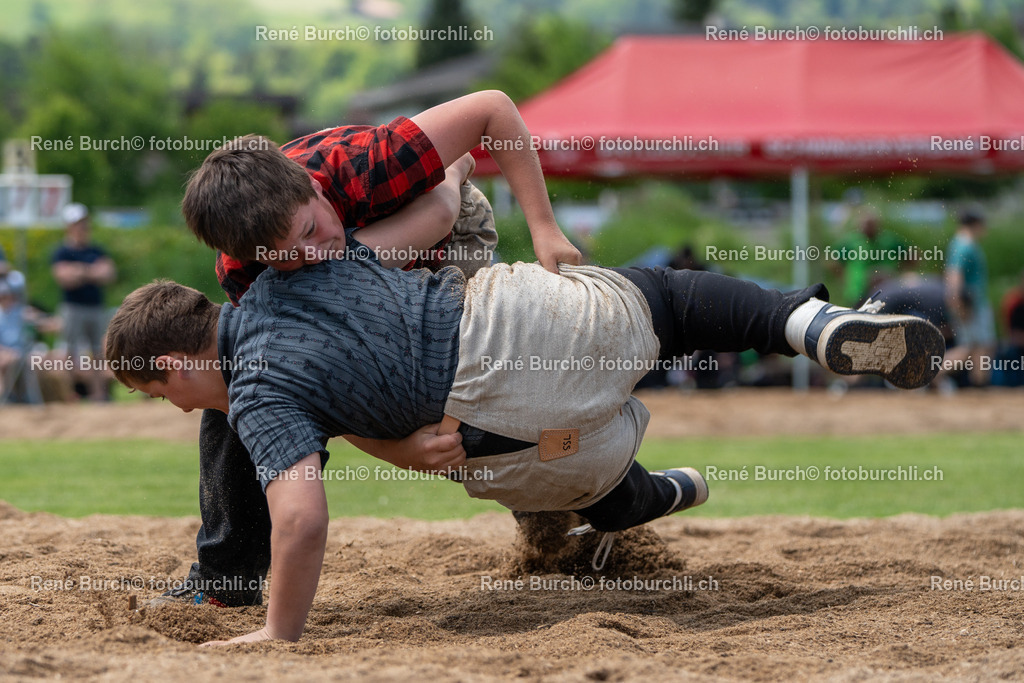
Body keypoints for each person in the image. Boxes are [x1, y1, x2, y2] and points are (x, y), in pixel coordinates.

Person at [105, 236, 945, 645]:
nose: (178, 410)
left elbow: (300, 520)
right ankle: (811, 322)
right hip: (532, 322)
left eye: (160, 392)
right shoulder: (297, 264)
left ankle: (668, 489)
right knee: (674, 297)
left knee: (585, 486)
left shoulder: (254, 390)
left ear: (176, 361)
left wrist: (279, 634)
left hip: (517, 442)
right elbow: (437, 198)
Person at [160, 90, 582, 608]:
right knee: (238, 390)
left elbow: (493, 109)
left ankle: (581, 506)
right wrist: (396, 451)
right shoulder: (245, 273)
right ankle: (224, 581)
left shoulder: (366, 163)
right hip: (396, 235)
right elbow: (307, 383)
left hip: (442, 238)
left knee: (471, 389)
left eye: (311, 231)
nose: (315, 255)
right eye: (288, 257)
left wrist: (542, 227)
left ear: (316, 189)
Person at [51, 203, 117, 401]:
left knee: (98, 352)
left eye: (83, 223)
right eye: (77, 224)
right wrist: (92, 272)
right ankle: (69, 394)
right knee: (69, 352)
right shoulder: (62, 251)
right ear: (69, 226)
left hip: (95, 307)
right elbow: (64, 278)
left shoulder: (97, 250)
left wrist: (79, 271)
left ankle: (99, 393)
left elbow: (108, 274)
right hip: (73, 308)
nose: (82, 227)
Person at [944, 210, 995, 386]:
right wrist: (958, 303)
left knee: (977, 347)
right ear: (976, 224)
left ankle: (980, 384)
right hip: (970, 305)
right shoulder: (965, 245)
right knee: (973, 347)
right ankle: (930, 374)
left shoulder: (961, 244)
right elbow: (954, 275)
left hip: (972, 304)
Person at [830, 208, 907, 307]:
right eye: (865, 224)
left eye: (871, 224)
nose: (868, 227)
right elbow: (833, 260)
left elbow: (911, 256)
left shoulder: (888, 240)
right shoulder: (851, 241)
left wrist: (897, 274)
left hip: (885, 289)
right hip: (857, 292)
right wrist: (846, 278)